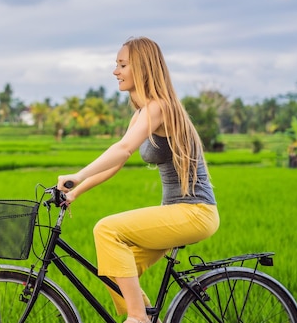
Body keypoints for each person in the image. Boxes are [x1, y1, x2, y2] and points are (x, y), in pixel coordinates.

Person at [56, 37, 220, 323]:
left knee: (106, 230)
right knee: (113, 272)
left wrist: (78, 174)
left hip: (195, 212)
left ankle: (138, 318)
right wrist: (76, 192)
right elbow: (117, 162)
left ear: (142, 68)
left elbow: (123, 149)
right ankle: (146, 317)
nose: (115, 71)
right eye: (116, 65)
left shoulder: (159, 107)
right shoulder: (143, 113)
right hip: (177, 212)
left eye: (122, 64)